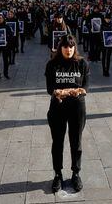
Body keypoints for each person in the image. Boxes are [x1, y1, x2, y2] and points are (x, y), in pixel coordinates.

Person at [45, 35, 90, 193]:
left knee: (76, 140)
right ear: (60, 48)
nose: (68, 49)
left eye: (71, 46)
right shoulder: (52, 64)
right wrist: (57, 92)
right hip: (58, 107)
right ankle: (57, 173)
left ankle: (76, 173)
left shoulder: (82, 63)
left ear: (74, 47)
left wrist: (77, 91)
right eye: (65, 46)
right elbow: (49, 88)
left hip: (77, 107)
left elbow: (86, 87)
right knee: (57, 141)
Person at [0, 14, 12, 79]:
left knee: (5, 60)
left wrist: (7, 41)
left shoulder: (7, 27)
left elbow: (11, 35)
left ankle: (6, 74)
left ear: (3, 19)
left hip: (5, 46)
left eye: (0, 18)